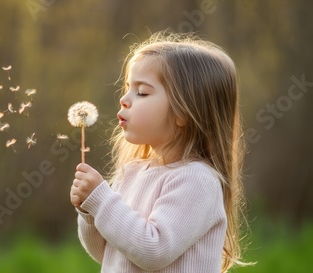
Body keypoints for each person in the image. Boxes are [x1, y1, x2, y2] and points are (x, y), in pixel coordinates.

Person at [70, 32, 250, 273]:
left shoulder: (196, 180)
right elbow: (106, 252)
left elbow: (153, 250)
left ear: (183, 113)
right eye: (127, 89)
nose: (124, 99)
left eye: (142, 92)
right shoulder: (131, 173)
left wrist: (101, 200)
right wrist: (90, 211)